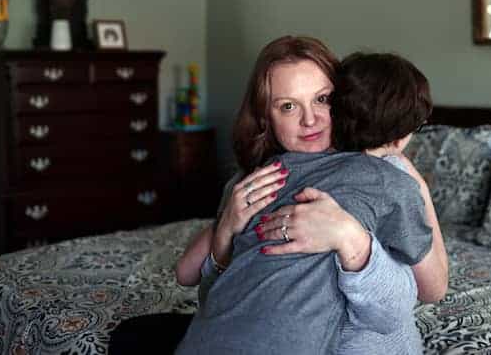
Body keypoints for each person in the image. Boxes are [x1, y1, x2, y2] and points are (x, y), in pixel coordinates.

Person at [173, 37, 448, 354]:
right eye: (288, 106)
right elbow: (220, 301)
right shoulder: (253, 182)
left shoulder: (383, 173)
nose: (309, 119)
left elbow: (427, 292)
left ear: (346, 99)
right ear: (266, 117)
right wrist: (224, 232)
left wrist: (352, 237)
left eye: (322, 99)